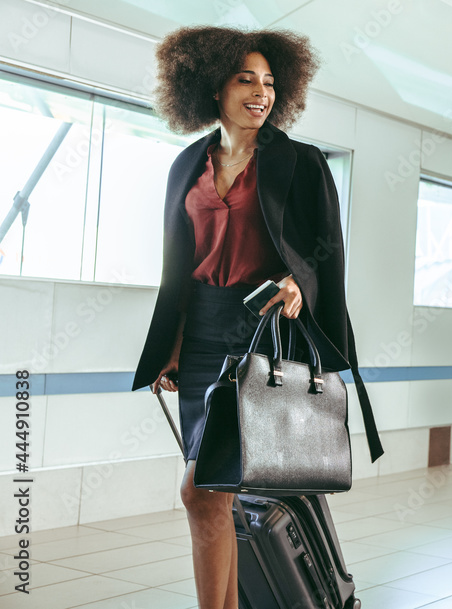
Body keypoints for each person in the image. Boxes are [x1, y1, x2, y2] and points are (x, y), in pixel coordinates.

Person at [131, 27, 381, 609]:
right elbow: (179, 266)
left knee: (204, 490)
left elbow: (328, 253)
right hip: (199, 336)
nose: (260, 92)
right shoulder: (186, 165)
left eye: (270, 82)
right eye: (246, 78)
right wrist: (172, 342)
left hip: (260, 330)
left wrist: (300, 279)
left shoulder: (301, 162)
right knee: (213, 495)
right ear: (211, 86)